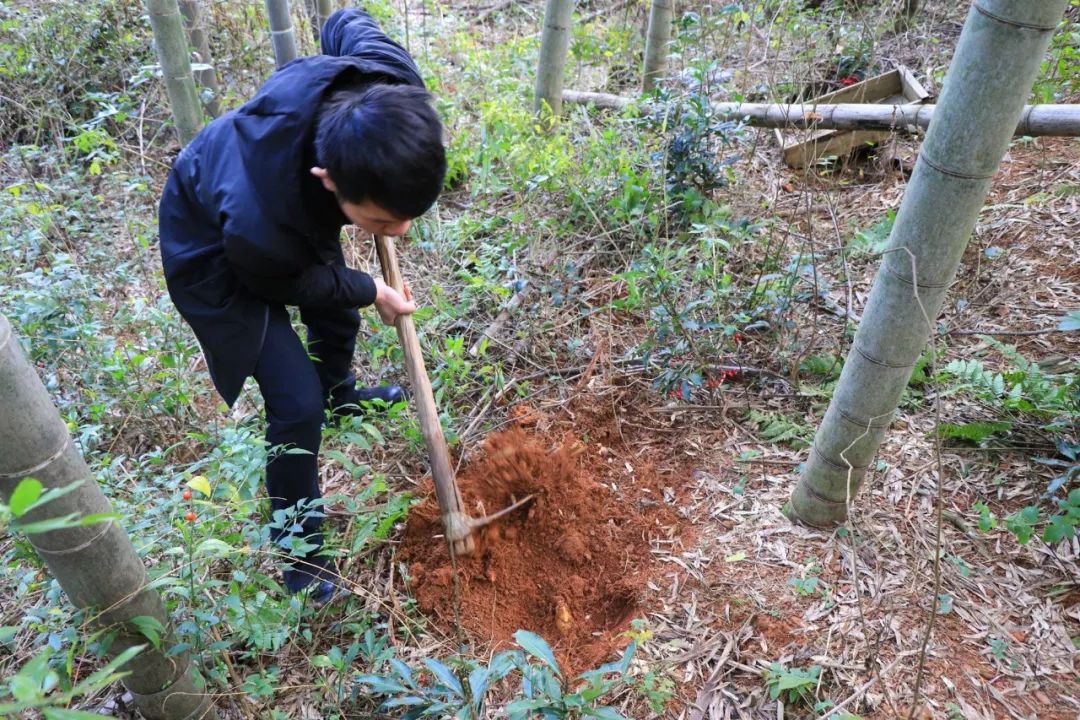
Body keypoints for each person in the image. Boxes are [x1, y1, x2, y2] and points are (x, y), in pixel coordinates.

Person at [157, 8, 446, 604]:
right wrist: (373, 290)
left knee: (336, 311)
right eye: (384, 221)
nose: (403, 232)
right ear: (328, 178)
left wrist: (370, 249)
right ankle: (302, 562)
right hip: (211, 243)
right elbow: (303, 283)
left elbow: (346, 21)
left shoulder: (391, 83)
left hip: (285, 205)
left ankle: (344, 393)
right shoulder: (261, 227)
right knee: (294, 399)